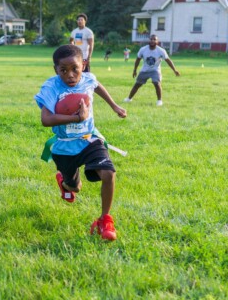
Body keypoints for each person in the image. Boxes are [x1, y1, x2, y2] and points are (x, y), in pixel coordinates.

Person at [34, 44, 127, 241]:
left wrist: (114, 106)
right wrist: (76, 118)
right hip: (64, 145)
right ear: (56, 70)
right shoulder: (51, 87)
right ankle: (65, 183)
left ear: (83, 65)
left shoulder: (88, 78)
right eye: (63, 70)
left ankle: (104, 220)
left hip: (89, 139)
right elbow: (46, 120)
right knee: (75, 188)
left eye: (75, 68)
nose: (70, 75)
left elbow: (97, 85)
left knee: (109, 173)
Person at [123, 34, 180, 106]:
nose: (152, 41)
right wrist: (135, 70)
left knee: (156, 83)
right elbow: (137, 60)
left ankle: (159, 101)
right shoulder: (143, 49)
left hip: (155, 70)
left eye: (154, 39)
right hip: (145, 70)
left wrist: (175, 70)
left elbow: (168, 60)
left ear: (157, 41)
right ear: (149, 40)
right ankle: (129, 98)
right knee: (137, 84)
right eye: (151, 39)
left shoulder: (161, 50)